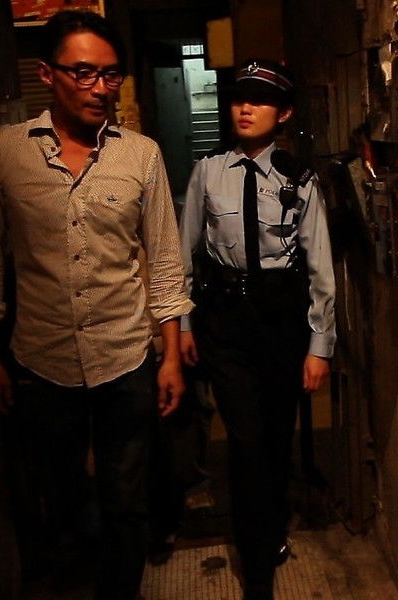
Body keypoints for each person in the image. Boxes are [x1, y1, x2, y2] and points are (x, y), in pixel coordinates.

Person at [0, 10, 193, 600]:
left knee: (126, 498)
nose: (100, 88)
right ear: (48, 74)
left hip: (125, 357)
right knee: (61, 496)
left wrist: (170, 354)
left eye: (111, 75)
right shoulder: (3, 153)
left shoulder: (140, 155)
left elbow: (166, 262)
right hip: (43, 360)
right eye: (84, 73)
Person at [179, 59, 336, 600]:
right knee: (245, 441)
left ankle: (269, 526)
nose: (245, 108)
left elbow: (320, 268)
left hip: (281, 320)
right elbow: (184, 253)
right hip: (225, 320)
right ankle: (257, 562)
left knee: (273, 437)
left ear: (284, 113)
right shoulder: (208, 171)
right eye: (239, 98)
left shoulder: (300, 179)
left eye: (260, 100)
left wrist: (319, 346)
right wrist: (183, 324)